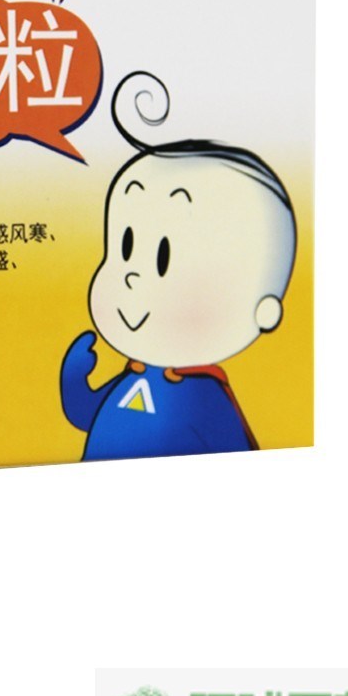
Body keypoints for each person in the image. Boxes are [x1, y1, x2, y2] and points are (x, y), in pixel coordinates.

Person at [61, 72, 296, 460]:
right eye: (125, 247)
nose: (132, 276)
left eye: (164, 259)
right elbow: (88, 414)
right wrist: (74, 379)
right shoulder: (136, 374)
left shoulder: (205, 400)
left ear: (262, 311)